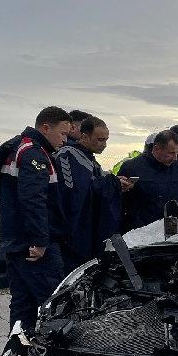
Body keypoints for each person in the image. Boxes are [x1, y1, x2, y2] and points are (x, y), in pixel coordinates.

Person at [0, 106, 72, 332]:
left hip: (16, 243)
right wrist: (40, 242)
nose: (65, 140)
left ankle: (17, 355)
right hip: (33, 247)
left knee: (22, 305)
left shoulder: (18, 148)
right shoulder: (34, 153)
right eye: (62, 134)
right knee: (55, 303)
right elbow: (33, 201)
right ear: (45, 128)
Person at [56, 116, 133, 272]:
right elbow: (76, 192)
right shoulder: (68, 155)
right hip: (75, 235)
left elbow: (95, 185)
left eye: (106, 140)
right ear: (84, 137)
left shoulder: (90, 160)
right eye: (99, 140)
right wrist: (112, 184)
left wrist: (116, 185)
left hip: (91, 232)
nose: (104, 144)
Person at [119, 129, 178, 232]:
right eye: (171, 153)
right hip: (142, 234)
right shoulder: (132, 168)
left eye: (177, 153)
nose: (175, 158)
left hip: (177, 234)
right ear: (156, 148)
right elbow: (121, 204)